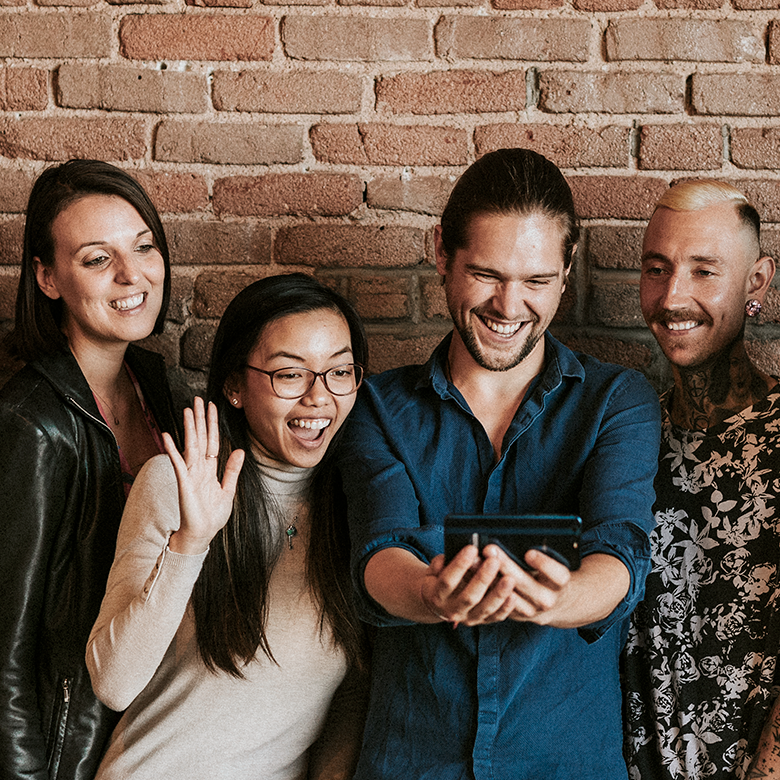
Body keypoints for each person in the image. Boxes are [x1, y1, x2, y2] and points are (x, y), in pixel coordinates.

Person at [336, 148, 661, 780]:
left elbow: (620, 552)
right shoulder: (375, 405)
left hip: (566, 763)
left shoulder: (616, 401)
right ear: (442, 256)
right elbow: (380, 551)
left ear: (566, 272)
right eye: (486, 274)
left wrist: (560, 598)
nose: (509, 307)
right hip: (412, 761)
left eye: (537, 282)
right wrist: (431, 594)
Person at [86, 273, 369, 780]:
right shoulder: (174, 485)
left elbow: (348, 700)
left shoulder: (357, 504)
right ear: (234, 386)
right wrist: (190, 544)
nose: (319, 398)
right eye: (290, 375)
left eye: (340, 372)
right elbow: (113, 683)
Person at [0, 160, 180, 780]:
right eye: (97, 259)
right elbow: (7, 647)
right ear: (48, 279)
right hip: (67, 752)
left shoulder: (155, 384)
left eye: (144, 247)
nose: (132, 276)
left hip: (145, 734)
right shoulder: (33, 424)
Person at [622, 180, 780, 779]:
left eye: (704, 271)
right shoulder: (630, 435)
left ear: (757, 282)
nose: (672, 297)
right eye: (656, 269)